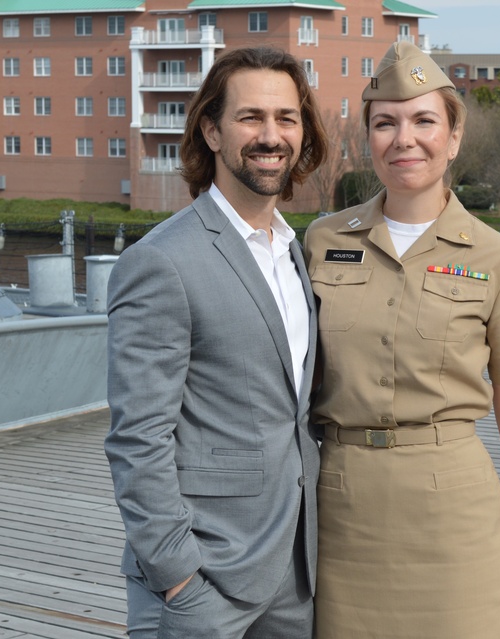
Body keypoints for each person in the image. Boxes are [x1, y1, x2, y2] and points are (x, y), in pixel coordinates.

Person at [304, 41, 500, 638]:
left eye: (423, 120)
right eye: (385, 123)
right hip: (341, 509)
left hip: (455, 517)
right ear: (367, 138)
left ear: (454, 138)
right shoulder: (319, 240)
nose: (403, 138)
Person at [104, 46, 327, 639]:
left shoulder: (295, 252)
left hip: (294, 573)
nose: (270, 135)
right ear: (211, 129)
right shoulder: (160, 261)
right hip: (202, 581)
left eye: (287, 118)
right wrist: (177, 575)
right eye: (250, 117)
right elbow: (136, 436)